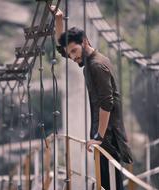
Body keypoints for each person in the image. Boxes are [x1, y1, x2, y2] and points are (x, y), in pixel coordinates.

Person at [50, 6, 132, 190]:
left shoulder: (96, 66)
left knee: (111, 184)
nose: (71, 56)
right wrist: (59, 21)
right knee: (109, 183)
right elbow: (63, 49)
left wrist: (98, 136)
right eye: (70, 53)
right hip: (106, 133)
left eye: (73, 51)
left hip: (108, 136)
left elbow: (107, 103)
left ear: (85, 41)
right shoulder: (89, 59)